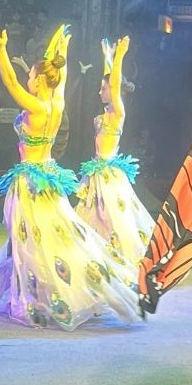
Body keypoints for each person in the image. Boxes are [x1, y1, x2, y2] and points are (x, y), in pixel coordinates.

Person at [0, 25, 138, 329]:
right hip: (49, 177)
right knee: (53, 236)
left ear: (39, 80)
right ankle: (38, 288)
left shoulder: (37, 106)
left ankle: (36, 297)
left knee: (31, 241)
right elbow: (61, 75)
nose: (28, 79)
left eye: (31, 76)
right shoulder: (57, 103)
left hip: (31, 182)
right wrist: (60, 50)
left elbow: (10, 81)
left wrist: (0, 49)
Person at [74, 36, 151, 280]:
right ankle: (94, 256)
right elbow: (110, 79)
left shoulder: (118, 112)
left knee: (113, 219)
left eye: (103, 89)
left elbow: (114, 83)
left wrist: (118, 57)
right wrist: (107, 58)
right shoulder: (105, 112)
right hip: (96, 171)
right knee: (92, 215)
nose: (100, 92)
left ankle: (119, 258)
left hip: (109, 173)